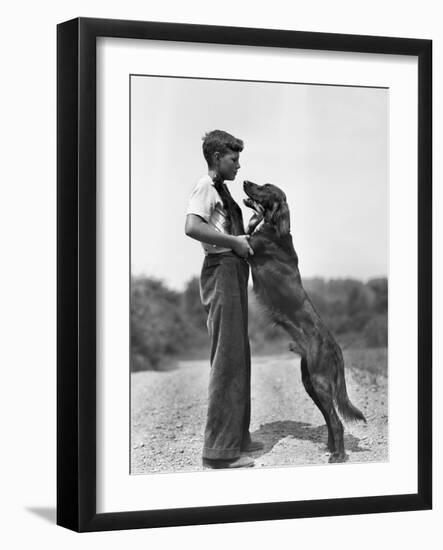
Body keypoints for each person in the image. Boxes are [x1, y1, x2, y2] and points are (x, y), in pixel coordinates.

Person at [185, 129, 264, 469]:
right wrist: (234, 242)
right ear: (217, 157)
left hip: (233, 271)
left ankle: (238, 438)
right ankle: (218, 453)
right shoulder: (205, 185)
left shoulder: (223, 191)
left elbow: (227, 232)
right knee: (226, 359)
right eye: (234, 159)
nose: (238, 165)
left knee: (239, 356)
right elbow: (192, 227)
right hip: (220, 271)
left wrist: (252, 227)